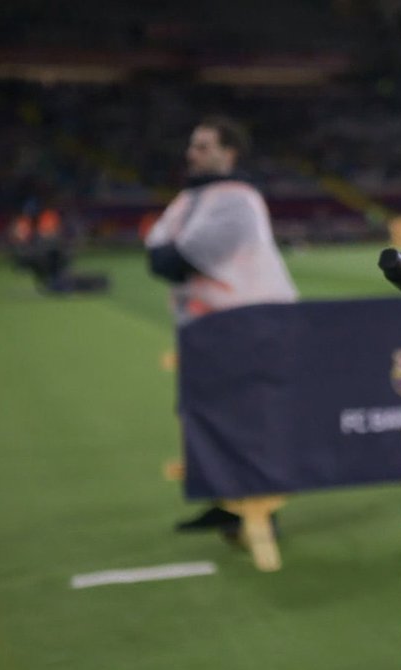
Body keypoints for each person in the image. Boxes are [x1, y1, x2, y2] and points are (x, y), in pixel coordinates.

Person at [145, 115, 298, 532]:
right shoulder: (191, 198)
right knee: (210, 417)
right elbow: (155, 250)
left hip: (244, 323)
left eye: (203, 146)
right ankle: (225, 503)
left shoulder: (236, 198)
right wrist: (167, 255)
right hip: (209, 326)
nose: (191, 153)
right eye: (193, 145)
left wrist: (169, 255)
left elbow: (178, 258)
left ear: (228, 153)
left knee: (247, 418)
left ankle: (262, 513)